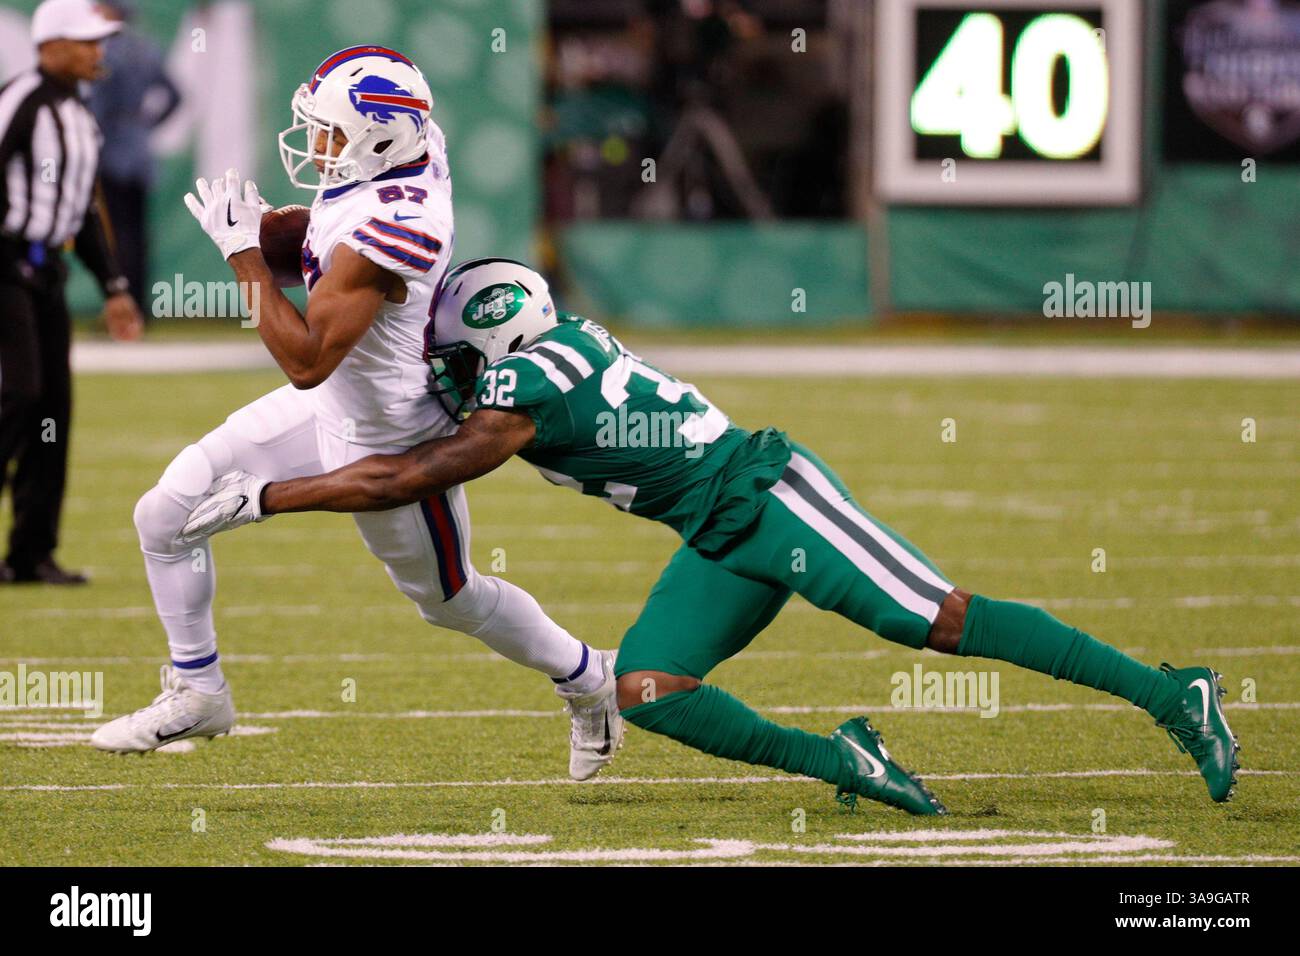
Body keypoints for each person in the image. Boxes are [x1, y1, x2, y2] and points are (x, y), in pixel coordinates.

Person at [179, 259, 1241, 814]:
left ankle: (1170, 689)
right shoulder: (540, 353)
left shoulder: (532, 376)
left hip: (770, 496)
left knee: (939, 618)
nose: (446, 373)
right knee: (647, 686)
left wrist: (274, 498)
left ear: (496, 343)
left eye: (458, 355)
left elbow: (414, 471)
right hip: (715, 530)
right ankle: (845, 757)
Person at [90, 47, 622, 782]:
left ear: (378, 137)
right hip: (328, 408)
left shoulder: (398, 224)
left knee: (452, 600)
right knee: (163, 515)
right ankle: (199, 690)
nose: (317, 147)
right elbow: (324, 249)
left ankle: (587, 675)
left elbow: (307, 358)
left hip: (388, 432)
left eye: (332, 134)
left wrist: (244, 257)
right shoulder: (411, 146)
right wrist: (279, 232)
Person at [0, 0, 145, 587]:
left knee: (51, 410)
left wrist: (113, 285)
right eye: (86, 41)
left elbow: (81, 210)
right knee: (19, 393)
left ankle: (32, 552)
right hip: (6, 265)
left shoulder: (79, 115)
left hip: (48, 274)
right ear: (50, 46)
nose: (97, 51)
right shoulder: (20, 101)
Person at [86, 0, 182, 315]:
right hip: (139, 152)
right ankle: (138, 307)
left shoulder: (103, 50)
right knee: (136, 235)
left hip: (110, 150)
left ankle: (121, 308)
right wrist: (145, 125)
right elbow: (175, 96)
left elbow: (97, 106)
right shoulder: (144, 47)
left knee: (114, 234)